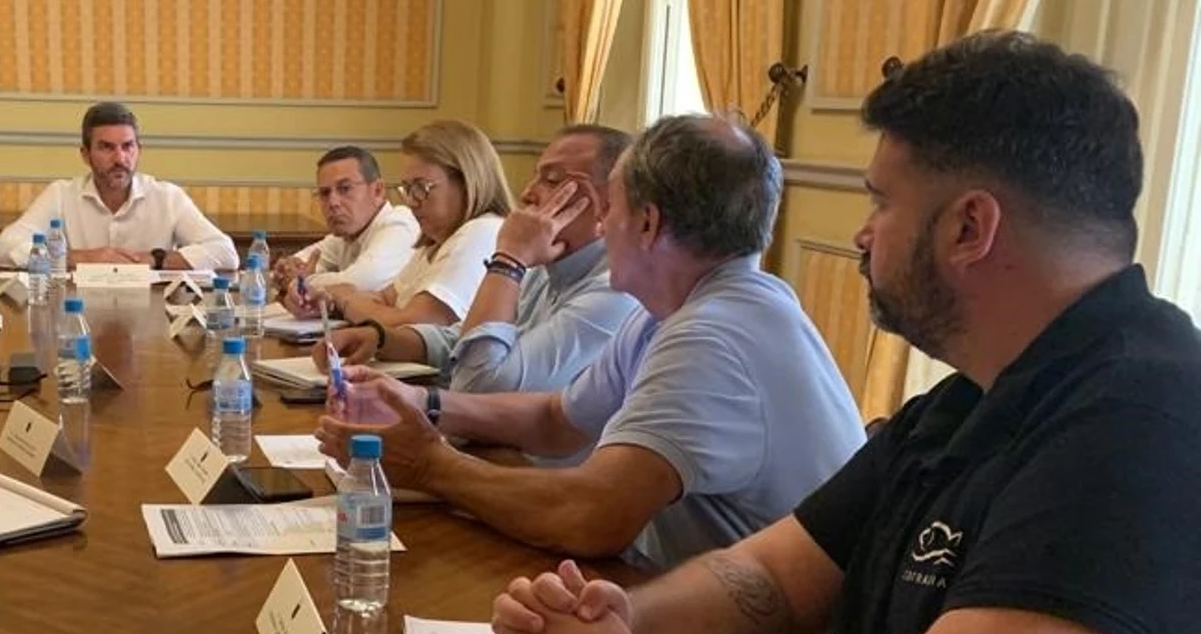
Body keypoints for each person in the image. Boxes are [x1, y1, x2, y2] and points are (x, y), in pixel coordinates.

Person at [491, 33, 1201, 634]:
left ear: (969, 227)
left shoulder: (1152, 414)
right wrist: (614, 622)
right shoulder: (966, 398)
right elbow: (781, 574)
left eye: (880, 202)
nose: (862, 233)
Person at [318, 114, 864, 570]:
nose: (602, 226)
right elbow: (559, 418)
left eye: (612, 210)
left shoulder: (712, 336)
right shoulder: (680, 308)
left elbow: (589, 516)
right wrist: (427, 404)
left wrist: (430, 465)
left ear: (646, 224)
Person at [313, 124, 640, 394]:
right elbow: (463, 340)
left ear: (609, 201)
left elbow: (479, 383)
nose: (527, 193)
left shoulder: (615, 290)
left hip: (526, 465)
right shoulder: (547, 268)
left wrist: (509, 260)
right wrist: (380, 338)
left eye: (552, 180)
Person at [0, 102, 238, 271]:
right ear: (85, 154)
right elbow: (2, 249)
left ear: (139, 150)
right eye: (106, 147)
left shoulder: (168, 197)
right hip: (79, 317)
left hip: (150, 323)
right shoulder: (61, 195)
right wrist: (79, 258)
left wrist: (154, 259)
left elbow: (225, 253)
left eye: (128, 146)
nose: (120, 159)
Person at [313, 120, 509, 328]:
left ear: (467, 181)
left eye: (421, 187)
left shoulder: (481, 232)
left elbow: (411, 324)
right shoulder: (434, 243)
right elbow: (384, 299)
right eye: (407, 188)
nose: (411, 201)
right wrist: (337, 297)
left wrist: (344, 298)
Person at [272, 146, 418, 309]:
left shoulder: (400, 225)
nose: (333, 202)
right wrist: (288, 269)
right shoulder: (345, 234)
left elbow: (360, 282)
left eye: (345, 189)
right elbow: (301, 262)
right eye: (325, 193)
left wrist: (300, 281)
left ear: (378, 191)